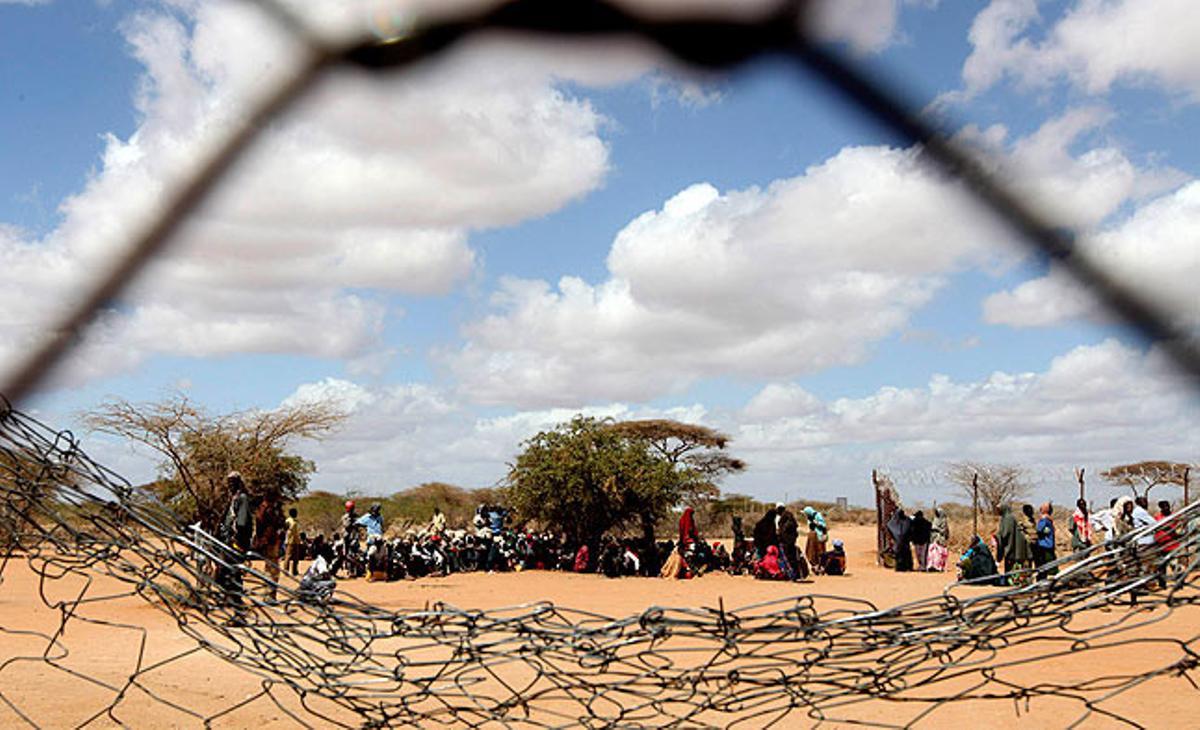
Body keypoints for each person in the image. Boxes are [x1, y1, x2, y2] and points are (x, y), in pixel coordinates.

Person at [776, 507, 803, 579]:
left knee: (787, 559)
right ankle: (794, 574)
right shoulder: (793, 524)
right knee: (793, 558)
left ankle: (790, 574)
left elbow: (782, 533)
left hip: (786, 543)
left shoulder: (785, 524)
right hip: (792, 542)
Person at [1033, 503, 1056, 578]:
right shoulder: (1050, 519)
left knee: (1044, 565)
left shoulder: (1044, 520)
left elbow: (1039, 529)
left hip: (1044, 544)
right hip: (1050, 543)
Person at [802, 506, 828, 571]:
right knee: (811, 551)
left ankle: (821, 566)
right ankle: (815, 565)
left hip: (819, 536)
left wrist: (816, 523)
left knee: (820, 551)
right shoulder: (809, 517)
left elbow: (823, 526)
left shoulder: (817, 515)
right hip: (812, 536)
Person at [927, 507, 949, 572]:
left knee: (939, 554)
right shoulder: (934, 519)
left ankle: (938, 567)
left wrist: (936, 528)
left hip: (940, 540)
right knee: (932, 554)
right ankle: (931, 566)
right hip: (933, 539)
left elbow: (944, 531)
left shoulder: (944, 521)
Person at [284, 507, 302, 576]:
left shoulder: (295, 521)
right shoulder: (288, 521)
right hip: (290, 541)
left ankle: (295, 571)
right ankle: (286, 570)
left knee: (296, 557)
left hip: (296, 541)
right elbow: (286, 530)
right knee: (288, 556)